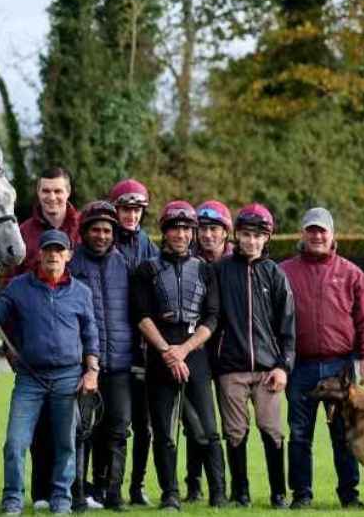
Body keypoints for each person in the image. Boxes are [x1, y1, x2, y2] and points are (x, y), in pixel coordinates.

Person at [0, 229, 99, 515]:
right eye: (48, 250)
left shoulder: (82, 292)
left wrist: (92, 370)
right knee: (15, 442)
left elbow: (91, 335)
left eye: (59, 251)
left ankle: (61, 499)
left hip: (69, 377)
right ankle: (13, 499)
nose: (53, 256)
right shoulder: (19, 287)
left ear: (68, 255)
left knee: (65, 444)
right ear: (39, 255)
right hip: (29, 378)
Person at [280, 207, 364, 509]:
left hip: (340, 368)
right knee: (299, 434)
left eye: (322, 230)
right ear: (302, 234)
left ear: (332, 234)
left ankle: (349, 496)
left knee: (344, 437)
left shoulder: (351, 273)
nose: (317, 235)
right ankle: (302, 495)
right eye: (311, 230)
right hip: (300, 366)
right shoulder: (285, 272)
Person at [131, 200, 227, 511]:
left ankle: (218, 493)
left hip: (195, 352)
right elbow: (141, 315)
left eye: (187, 229)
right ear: (165, 232)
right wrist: (167, 352)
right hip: (159, 352)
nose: (181, 234)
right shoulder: (146, 270)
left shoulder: (205, 270)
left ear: (193, 233)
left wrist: (184, 351)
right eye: (175, 228)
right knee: (164, 431)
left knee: (208, 430)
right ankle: (170, 493)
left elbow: (212, 317)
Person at [211, 204, 295, 508]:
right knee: (234, 432)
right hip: (230, 368)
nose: (251, 241)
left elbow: (288, 326)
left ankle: (278, 493)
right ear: (237, 235)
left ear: (267, 238)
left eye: (258, 236)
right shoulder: (220, 270)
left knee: (272, 429)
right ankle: (241, 492)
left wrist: (283, 366)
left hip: (268, 369)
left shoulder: (275, 274)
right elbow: (212, 317)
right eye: (246, 235)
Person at [12, 167, 80, 510]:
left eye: (58, 191)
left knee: (75, 432)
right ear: (38, 194)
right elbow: (8, 289)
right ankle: (40, 494)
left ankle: (75, 493)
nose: (52, 197)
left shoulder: (83, 227)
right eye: (46, 191)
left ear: (68, 193)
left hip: (75, 342)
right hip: (33, 353)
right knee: (35, 433)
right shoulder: (22, 233)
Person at [68, 201, 133, 512]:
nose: (102, 235)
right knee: (83, 431)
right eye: (95, 230)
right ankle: (79, 491)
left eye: (107, 230)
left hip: (120, 363)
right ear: (84, 232)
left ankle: (113, 492)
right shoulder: (71, 266)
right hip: (83, 364)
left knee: (119, 428)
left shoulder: (125, 265)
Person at [108, 178, 159, 506]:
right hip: (113, 345)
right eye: (126, 209)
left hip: (144, 347)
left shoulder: (149, 246)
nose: (132, 216)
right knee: (114, 424)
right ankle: (107, 487)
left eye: (137, 210)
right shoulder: (103, 241)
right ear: (116, 210)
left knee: (146, 425)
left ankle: (137, 486)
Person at [182, 199, 234, 502]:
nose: (208, 235)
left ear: (225, 232)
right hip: (196, 352)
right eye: (202, 229)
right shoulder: (189, 263)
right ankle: (193, 485)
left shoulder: (236, 264)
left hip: (230, 356)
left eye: (214, 229)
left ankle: (228, 488)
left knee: (226, 426)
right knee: (195, 424)